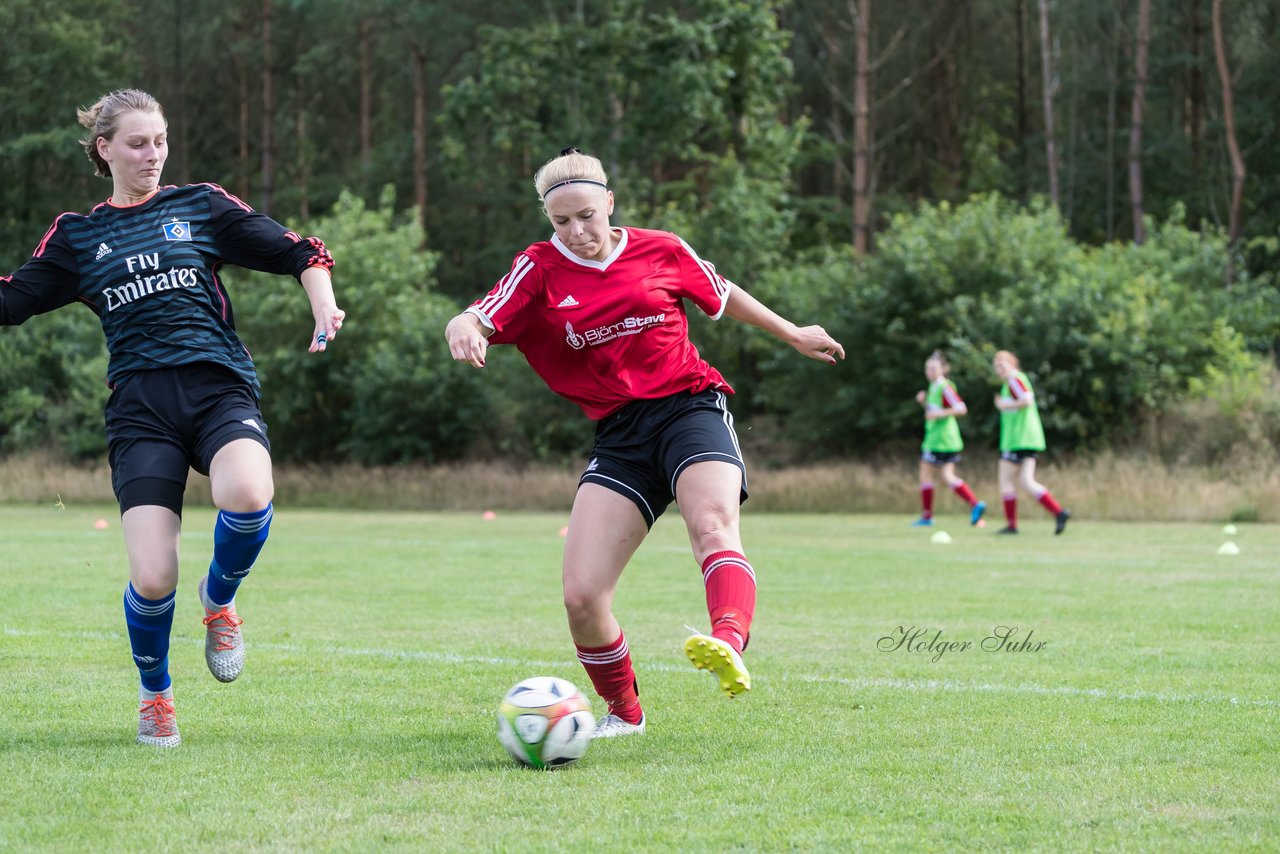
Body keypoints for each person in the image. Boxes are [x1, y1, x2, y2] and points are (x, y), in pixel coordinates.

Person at [445, 148, 845, 738]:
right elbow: (483, 312)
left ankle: (728, 641)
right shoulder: (538, 269)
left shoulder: (661, 248)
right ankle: (624, 714)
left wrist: (791, 333)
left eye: (586, 215)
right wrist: (462, 326)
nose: (577, 232)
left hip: (690, 409)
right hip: (621, 437)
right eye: (562, 221)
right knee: (582, 596)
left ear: (609, 202)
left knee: (711, 522)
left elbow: (722, 291)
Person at [0, 89, 344, 746]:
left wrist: (322, 306)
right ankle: (155, 692)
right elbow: (13, 301)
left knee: (247, 493)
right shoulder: (78, 234)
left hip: (218, 390)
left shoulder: (200, 205)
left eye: (159, 140)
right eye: (137, 143)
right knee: (154, 576)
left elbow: (301, 250)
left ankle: (219, 602)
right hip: (141, 409)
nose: (152, 154)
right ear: (104, 149)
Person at [992, 350, 1070, 535]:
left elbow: (1026, 400)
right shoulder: (1013, 381)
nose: (999, 369)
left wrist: (1004, 404)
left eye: (1002, 364)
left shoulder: (1014, 380)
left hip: (1019, 440)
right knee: (1026, 481)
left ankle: (1012, 525)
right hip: (1025, 439)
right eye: (996, 366)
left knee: (1006, 480)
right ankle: (1058, 512)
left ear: (1012, 363)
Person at [912, 350, 985, 527]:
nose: (930, 371)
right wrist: (924, 403)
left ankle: (927, 517)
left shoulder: (944, 386)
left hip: (940, 440)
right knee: (946, 476)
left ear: (943, 369)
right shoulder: (934, 387)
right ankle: (975, 504)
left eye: (934, 368)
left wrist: (936, 413)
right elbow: (933, 411)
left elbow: (960, 408)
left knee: (926, 474)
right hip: (945, 440)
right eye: (927, 368)